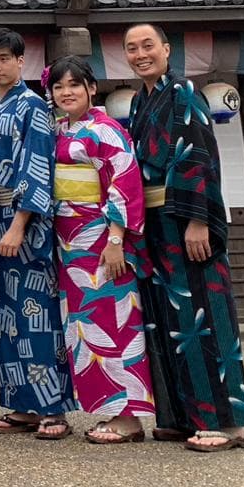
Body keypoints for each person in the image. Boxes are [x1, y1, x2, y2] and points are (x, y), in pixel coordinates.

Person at [124, 24, 244, 452]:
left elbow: (199, 153)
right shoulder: (140, 101)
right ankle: (182, 416)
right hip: (155, 224)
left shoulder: (183, 93)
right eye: (132, 48)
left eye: (148, 45)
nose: (141, 54)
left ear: (166, 49)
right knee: (167, 319)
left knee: (203, 315)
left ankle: (223, 421)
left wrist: (199, 219)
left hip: (185, 219)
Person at [47, 56, 155, 444]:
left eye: (74, 84)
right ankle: (107, 410)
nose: (66, 92)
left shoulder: (106, 130)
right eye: (59, 87)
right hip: (68, 239)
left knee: (114, 318)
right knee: (84, 325)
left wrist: (115, 240)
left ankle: (128, 416)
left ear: (92, 88)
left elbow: (123, 183)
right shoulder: (61, 129)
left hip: (98, 234)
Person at [0, 27, 72, 440]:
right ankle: (22, 404)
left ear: (21, 62)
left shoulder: (33, 106)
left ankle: (52, 408)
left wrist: (19, 223)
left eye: (4, 58)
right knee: (8, 315)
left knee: (38, 312)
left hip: (26, 221)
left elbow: (38, 166)